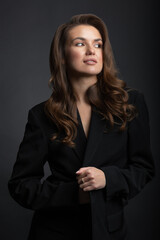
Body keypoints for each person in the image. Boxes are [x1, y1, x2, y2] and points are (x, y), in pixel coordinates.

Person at [8, 14, 155, 240]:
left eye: (98, 44)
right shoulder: (42, 115)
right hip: (54, 231)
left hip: (109, 231)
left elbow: (143, 169)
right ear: (63, 56)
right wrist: (75, 194)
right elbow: (21, 186)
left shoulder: (130, 103)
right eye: (80, 43)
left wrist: (108, 178)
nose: (92, 50)